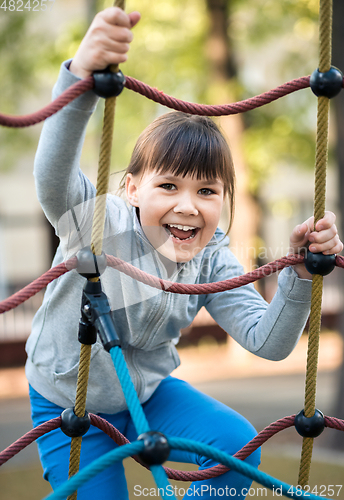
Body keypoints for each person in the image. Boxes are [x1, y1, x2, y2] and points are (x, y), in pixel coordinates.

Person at [26, 7, 343, 500]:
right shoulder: (101, 223)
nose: (188, 206)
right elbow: (51, 178)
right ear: (131, 188)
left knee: (237, 446)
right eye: (168, 185)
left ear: (223, 201)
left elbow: (267, 342)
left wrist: (299, 275)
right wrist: (81, 77)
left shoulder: (213, 257)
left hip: (149, 398)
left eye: (208, 191)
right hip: (73, 402)